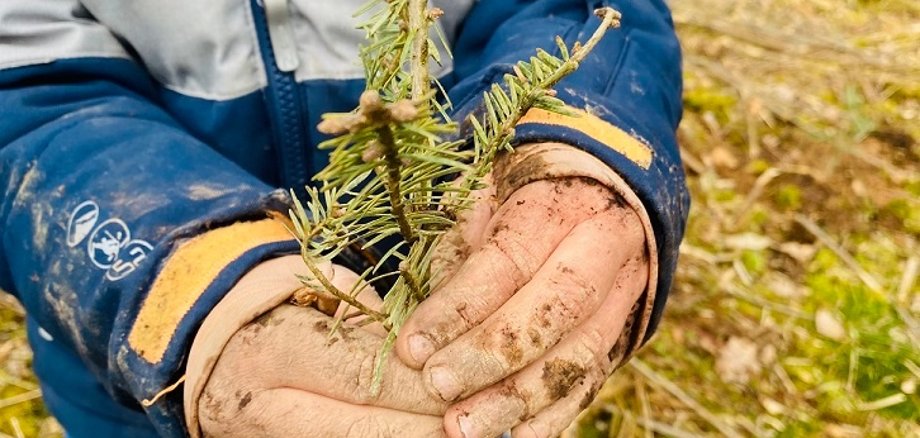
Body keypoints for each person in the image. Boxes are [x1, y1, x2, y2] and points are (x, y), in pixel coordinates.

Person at [0, 0, 688, 436]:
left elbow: (586, 9)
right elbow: (20, 91)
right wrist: (180, 282)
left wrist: (581, 146)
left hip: (451, 301)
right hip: (131, 389)